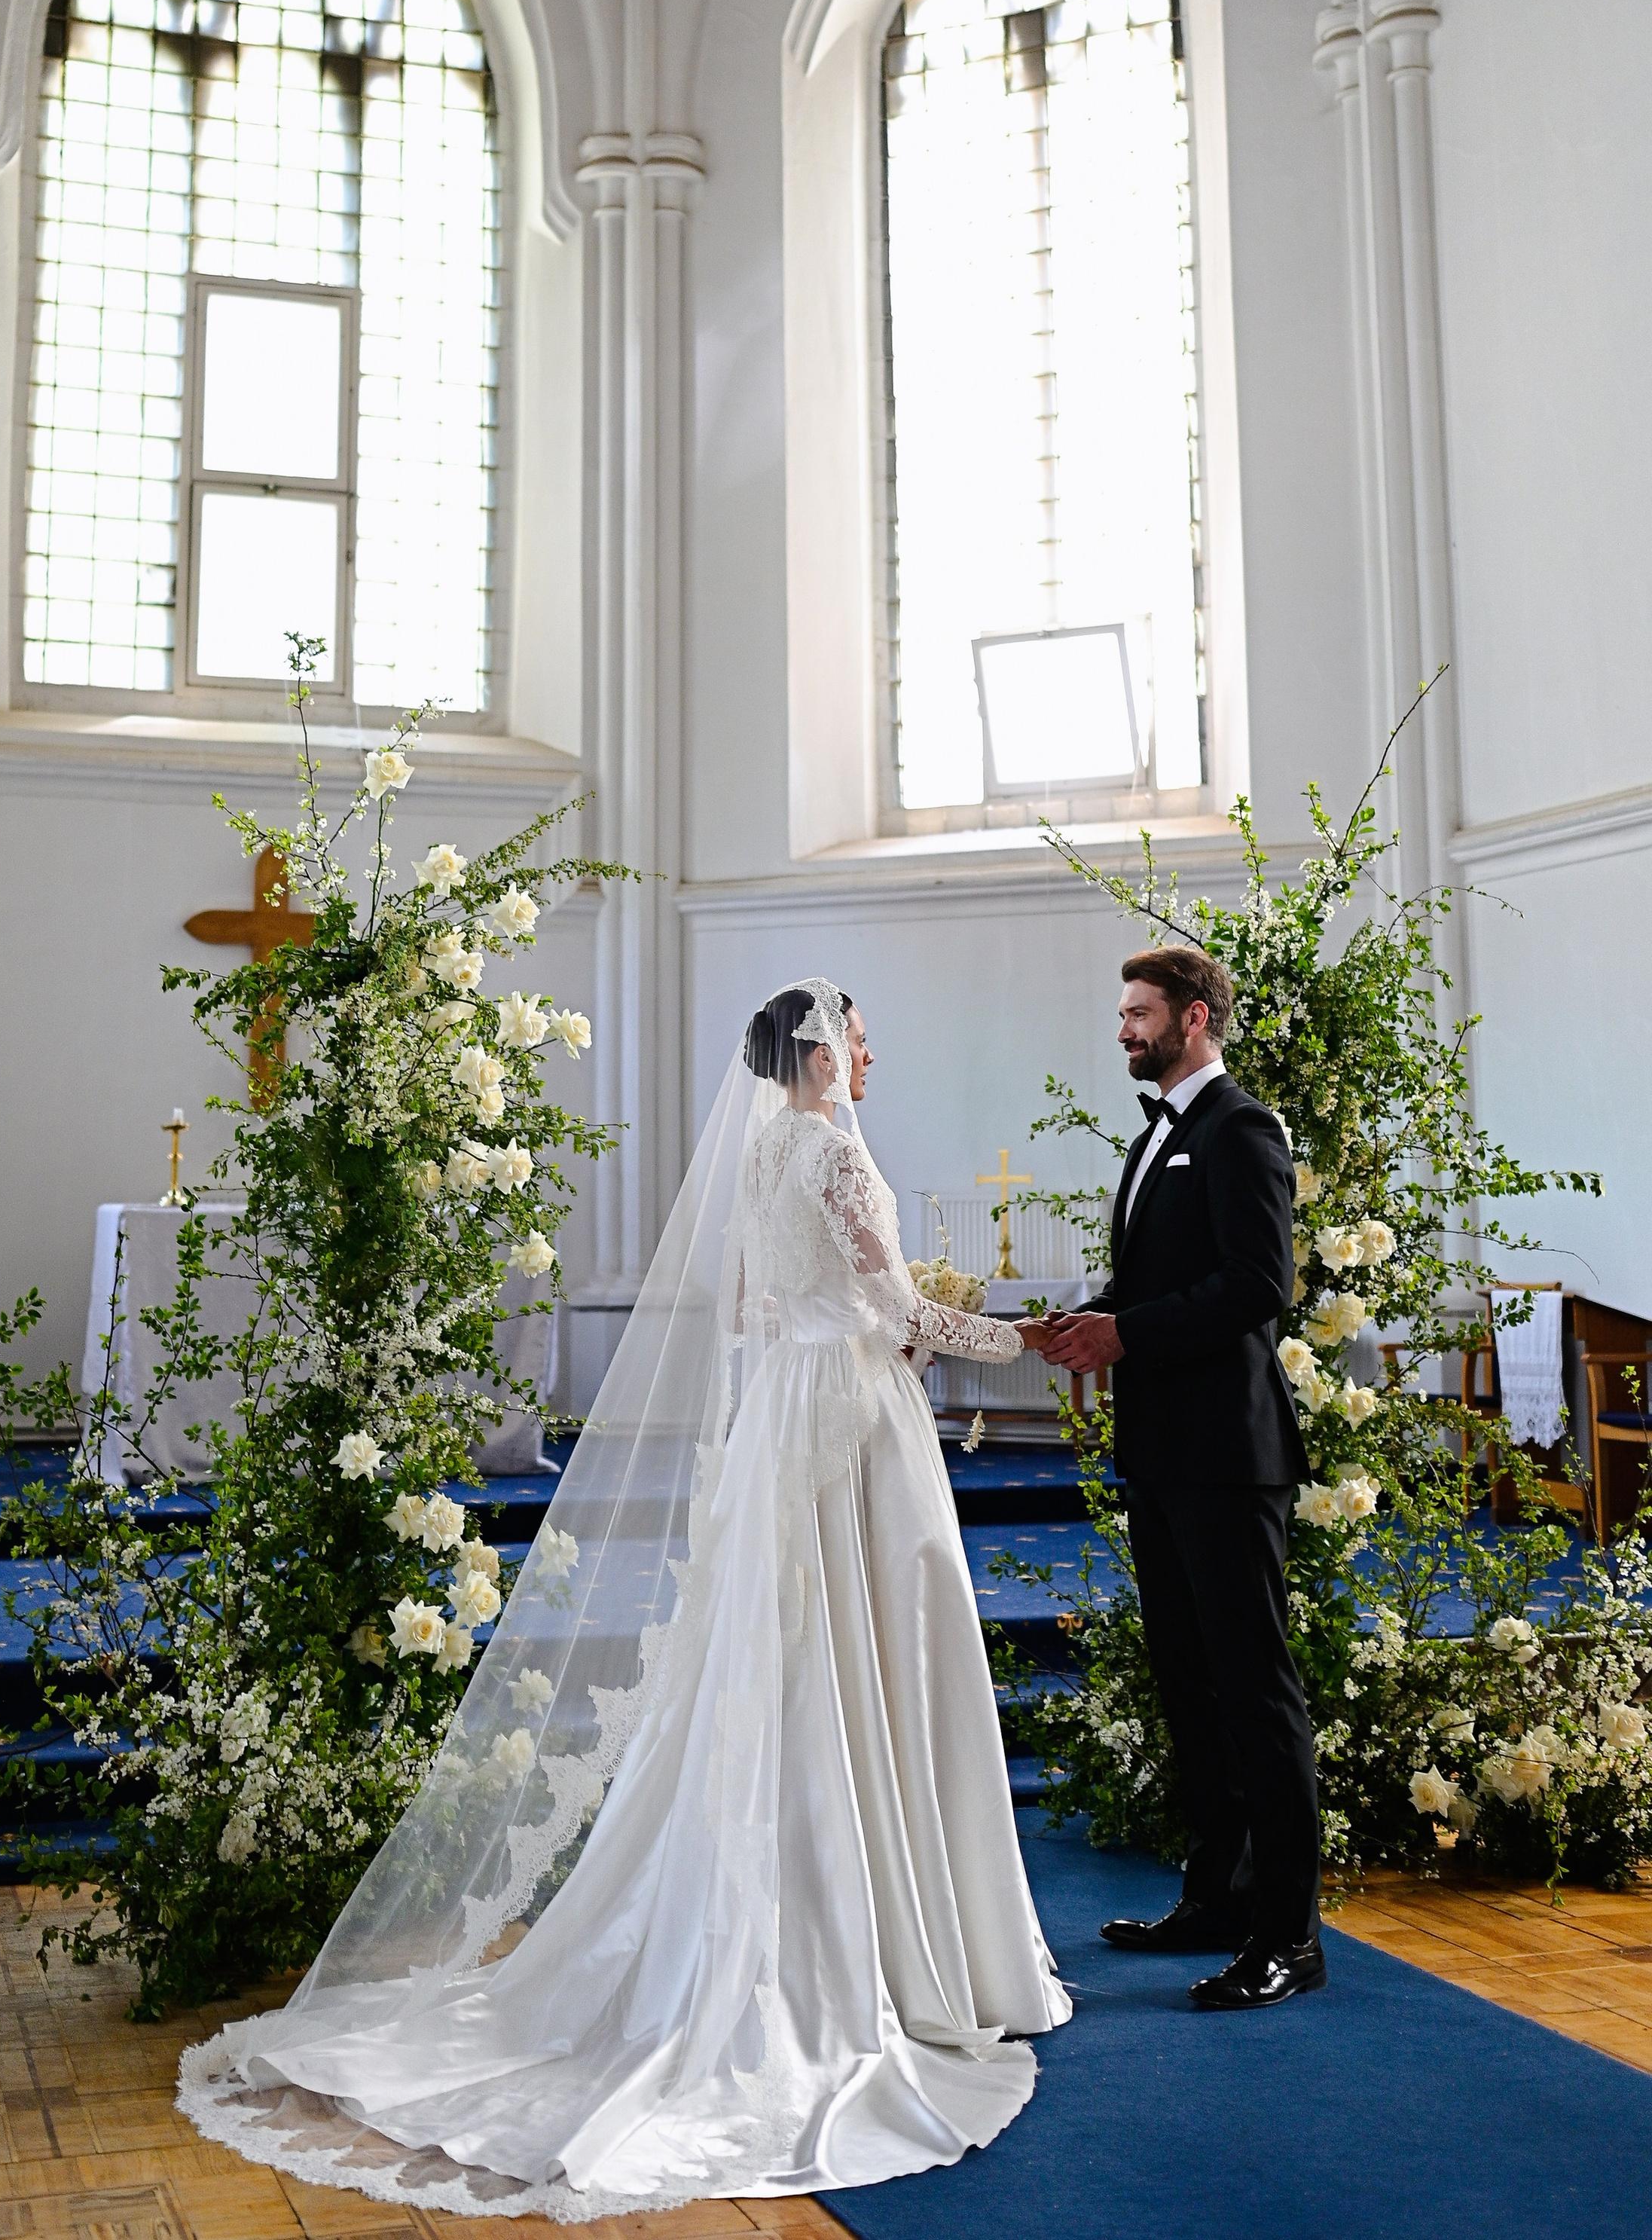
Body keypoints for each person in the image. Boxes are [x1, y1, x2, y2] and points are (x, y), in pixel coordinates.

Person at [179, 979, 1070, 2213]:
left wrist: (884, 1328)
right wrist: (1029, 1338)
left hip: (781, 1421)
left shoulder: (760, 1157)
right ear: (820, 1054)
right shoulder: (836, 1160)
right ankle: (873, 1942)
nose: (871, 1048)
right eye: (859, 1033)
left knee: (785, 1652)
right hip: (853, 1423)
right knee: (864, 1647)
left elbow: (762, 1306)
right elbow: (895, 1307)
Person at [1028, 945, 1321, 2010]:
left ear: (1194, 1020)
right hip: (1161, 1451)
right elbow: (1155, 1281)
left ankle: (1290, 1933)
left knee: (1256, 1691)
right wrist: (1083, 1327)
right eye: (1122, 1013)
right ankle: (1217, 1895)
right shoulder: (1163, 1135)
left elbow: (1258, 1284)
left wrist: (1125, 1334)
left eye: (1138, 1014)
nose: (1123, 1030)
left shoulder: (1241, 1129)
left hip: (1230, 1459)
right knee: (1190, 1687)